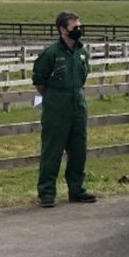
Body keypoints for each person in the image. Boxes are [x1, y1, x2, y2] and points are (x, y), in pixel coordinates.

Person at [31, 11, 96, 207]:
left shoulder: (82, 53)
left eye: (80, 27)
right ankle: (47, 192)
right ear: (62, 30)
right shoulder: (51, 54)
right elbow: (39, 81)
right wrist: (53, 98)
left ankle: (77, 189)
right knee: (52, 150)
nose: (79, 31)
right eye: (74, 28)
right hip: (56, 108)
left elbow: (83, 77)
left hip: (78, 105)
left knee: (78, 150)